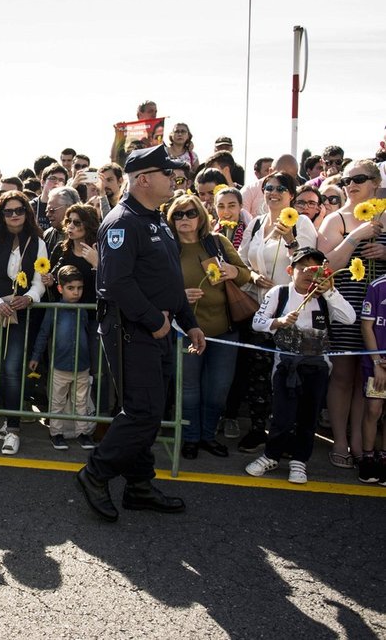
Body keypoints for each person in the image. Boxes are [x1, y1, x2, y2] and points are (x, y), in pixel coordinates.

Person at [76, 144, 205, 523]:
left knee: (150, 411)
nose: (174, 178)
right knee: (142, 411)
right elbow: (116, 282)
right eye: (167, 173)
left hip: (156, 327)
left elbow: (168, 279)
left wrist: (187, 319)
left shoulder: (155, 219)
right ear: (144, 179)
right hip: (133, 330)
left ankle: (139, 485)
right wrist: (155, 320)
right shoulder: (122, 221)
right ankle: (95, 473)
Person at [245, 247, 355, 484]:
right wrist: (279, 321)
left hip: (318, 367)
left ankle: (299, 461)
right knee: (282, 415)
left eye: (315, 269)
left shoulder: (327, 297)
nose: (308, 273)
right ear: (290, 270)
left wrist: (331, 292)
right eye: (302, 268)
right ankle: (271, 455)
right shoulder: (279, 293)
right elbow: (257, 322)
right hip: (285, 365)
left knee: (308, 416)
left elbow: (350, 318)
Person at [237, 172, 317, 452]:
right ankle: (259, 429)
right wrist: (253, 277)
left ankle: (287, 433)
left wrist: (292, 239)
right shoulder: (256, 223)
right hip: (261, 309)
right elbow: (242, 259)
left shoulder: (302, 221)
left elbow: (310, 264)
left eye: (280, 188)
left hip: (292, 310)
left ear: (291, 194)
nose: (273, 192)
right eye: (267, 187)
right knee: (258, 373)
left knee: (289, 374)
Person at [168, 194, 250, 460]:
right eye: (178, 215)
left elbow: (245, 273)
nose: (184, 219)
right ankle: (191, 438)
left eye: (190, 213)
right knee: (189, 390)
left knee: (218, 390)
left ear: (200, 216)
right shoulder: (167, 248)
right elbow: (155, 285)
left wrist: (233, 272)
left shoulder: (217, 242)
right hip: (185, 332)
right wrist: (178, 295)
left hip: (224, 331)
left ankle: (208, 435)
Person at [317, 159, 386, 468]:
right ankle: (341, 441)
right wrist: (355, 236)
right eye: (346, 180)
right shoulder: (335, 220)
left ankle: (361, 441)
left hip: (380, 313)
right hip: (346, 307)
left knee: (366, 377)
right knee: (343, 374)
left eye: (358, 178)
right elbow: (325, 265)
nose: (350, 184)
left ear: (375, 182)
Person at [0, 190, 48, 456]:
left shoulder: (37, 241)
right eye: (9, 211)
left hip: (23, 315)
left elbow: (40, 283)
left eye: (20, 210)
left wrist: (28, 298)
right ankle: (9, 418)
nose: (15, 215)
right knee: (3, 368)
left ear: (27, 213)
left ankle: (13, 428)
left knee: (12, 368)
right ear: (1, 214)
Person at [28, 265, 95, 450]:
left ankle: (83, 433)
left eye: (80, 288)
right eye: (71, 288)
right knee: (57, 401)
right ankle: (56, 433)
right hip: (60, 365)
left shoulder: (84, 309)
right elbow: (43, 333)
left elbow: (88, 335)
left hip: (82, 364)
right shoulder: (54, 309)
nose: (76, 293)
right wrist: (36, 356)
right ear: (60, 288)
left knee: (81, 401)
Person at [358, 273, 386, 483]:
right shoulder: (377, 286)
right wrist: (377, 364)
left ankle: (384, 457)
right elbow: (367, 327)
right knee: (373, 409)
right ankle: (368, 458)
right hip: (376, 365)